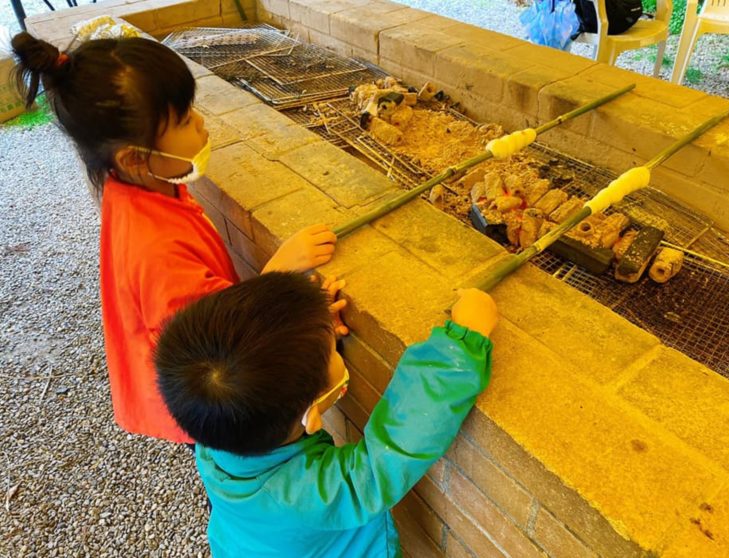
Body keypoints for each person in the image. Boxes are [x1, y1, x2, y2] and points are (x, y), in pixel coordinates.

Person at [11, 33, 338, 443]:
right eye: (183, 120)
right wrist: (281, 274)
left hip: (174, 367)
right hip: (195, 400)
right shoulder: (154, 250)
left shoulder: (136, 184)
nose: (200, 123)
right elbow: (211, 347)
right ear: (134, 157)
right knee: (221, 454)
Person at [154, 271, 497, 557]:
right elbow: (390, 452)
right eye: (331, 351)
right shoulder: (310, 494)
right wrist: (461, 344)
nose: (333, 343)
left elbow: (252, 356)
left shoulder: (216, 435)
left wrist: (306, 330)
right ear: (311, 415)